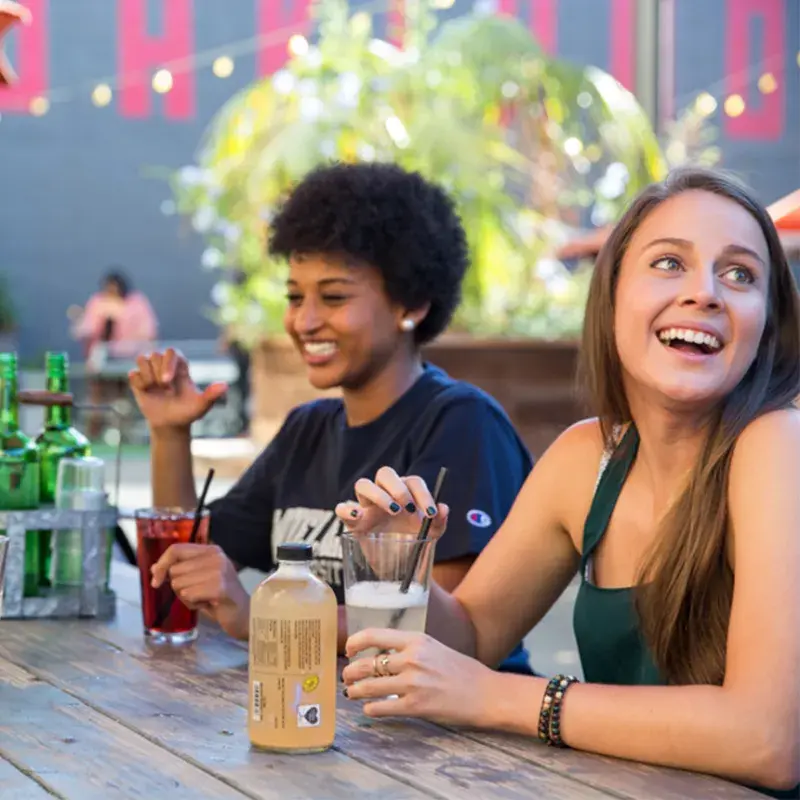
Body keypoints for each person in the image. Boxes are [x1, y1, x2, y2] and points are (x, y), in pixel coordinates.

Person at [337, 168, 800, 799]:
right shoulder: (589, 457)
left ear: (766, 326)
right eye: (669, 263)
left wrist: (502, 697)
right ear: (611, 300)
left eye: (740, 274)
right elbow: (471, 637)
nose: (706, 293)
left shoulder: (778, 444)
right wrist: (400, 566)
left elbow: (767, 741)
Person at [130, 162, 535, 672]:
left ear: (409, 304)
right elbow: (193, 571)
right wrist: (170, 432)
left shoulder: (463, 425)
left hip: (451, 736)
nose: (305, 320)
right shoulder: (308, 428)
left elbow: (443, 631)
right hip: (320, 715)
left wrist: (265, 618)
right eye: (295, 296)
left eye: (334, 297)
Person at [71, 268, 158, 438]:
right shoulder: (98, 303)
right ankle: (95, 430)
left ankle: (124, 430)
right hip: (101, 363)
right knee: (98, 397)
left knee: (124, 398)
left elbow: (147, 331)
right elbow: (86, 328)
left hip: (128, 362)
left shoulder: (137, 303)